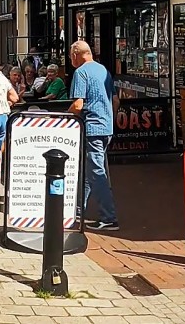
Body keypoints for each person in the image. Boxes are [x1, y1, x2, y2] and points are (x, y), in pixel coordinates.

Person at [68, 40, 119, 231]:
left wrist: (64, 117)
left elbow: (78, 105)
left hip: (92, 128)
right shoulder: (104, 70)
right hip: (106, 128)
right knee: (88, 171)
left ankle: (109, 217)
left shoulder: (81, 73)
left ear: (76, 55)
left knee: (97, 173)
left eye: (70, 56)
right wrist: (109, 119)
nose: (71, 60)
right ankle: (77, 210)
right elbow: (116, 100)